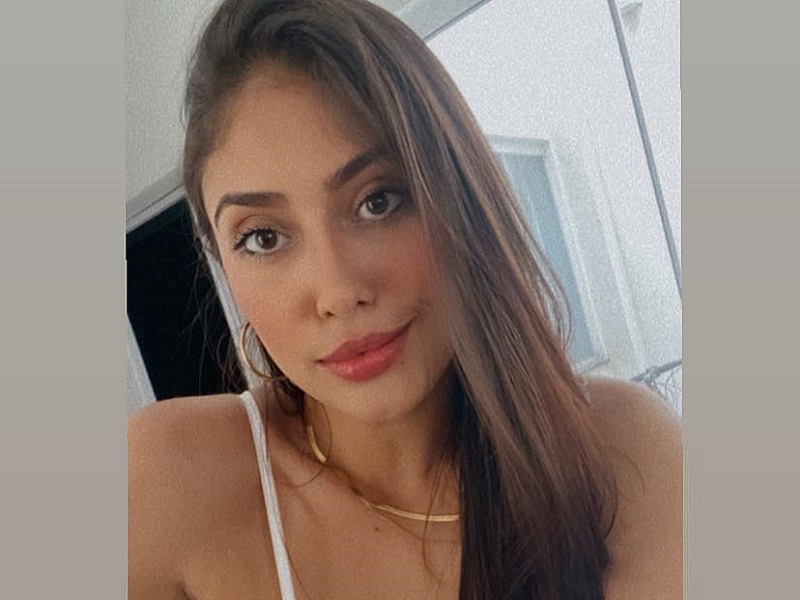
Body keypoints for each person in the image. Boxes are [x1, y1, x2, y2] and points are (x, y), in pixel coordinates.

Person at [127, 0, 682, 598]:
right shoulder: (171, 479)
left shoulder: (622, 454)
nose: (339, 292)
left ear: (460, 194)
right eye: (263, 237)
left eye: (379, 201)